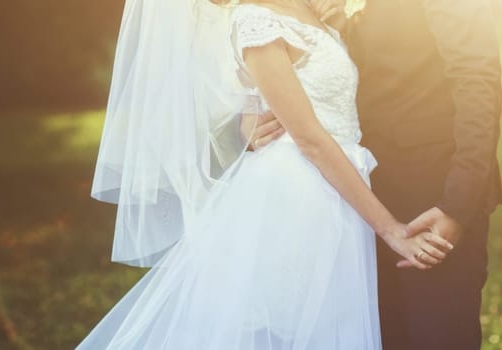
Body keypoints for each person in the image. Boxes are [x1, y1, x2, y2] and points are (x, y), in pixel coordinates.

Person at [77, 0, 453, 348]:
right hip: (297, 198)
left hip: (339, 196)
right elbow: (309, 138)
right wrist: (390, 229)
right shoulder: (254, 19)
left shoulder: (305, 7)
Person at [247, 0, 502, 348]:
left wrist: (458, 205)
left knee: (439, 334)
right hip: (353, 205)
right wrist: (246, 123)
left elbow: (476, 77)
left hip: (429, 199)